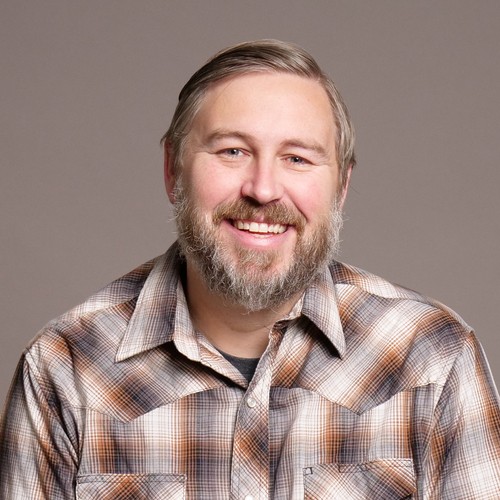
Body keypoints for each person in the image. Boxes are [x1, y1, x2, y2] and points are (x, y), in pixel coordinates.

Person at [1, 39, 499, 499]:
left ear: (341, 188)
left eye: (297, 158)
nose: (263, 189)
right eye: (232, 151)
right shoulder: (65, 367)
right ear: (173, 170)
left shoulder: (432, 357)